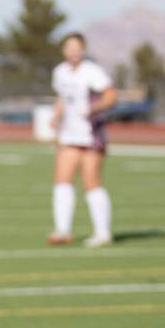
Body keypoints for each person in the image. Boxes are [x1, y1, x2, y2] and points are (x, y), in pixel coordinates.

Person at [49, 32, 118, 248]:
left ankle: (102, 233)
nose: (73, 51)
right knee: (62, 180)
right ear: (63, 50)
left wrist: (93, 109)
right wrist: (56, 116)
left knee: (91, 182)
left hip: (90, 133)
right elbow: (63, 98)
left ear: (83, 50)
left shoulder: (92, 72)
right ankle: (62, 230)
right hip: (70, 134)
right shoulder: (60, 72)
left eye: (77, 47)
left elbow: (111, 96)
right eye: (69, 47)